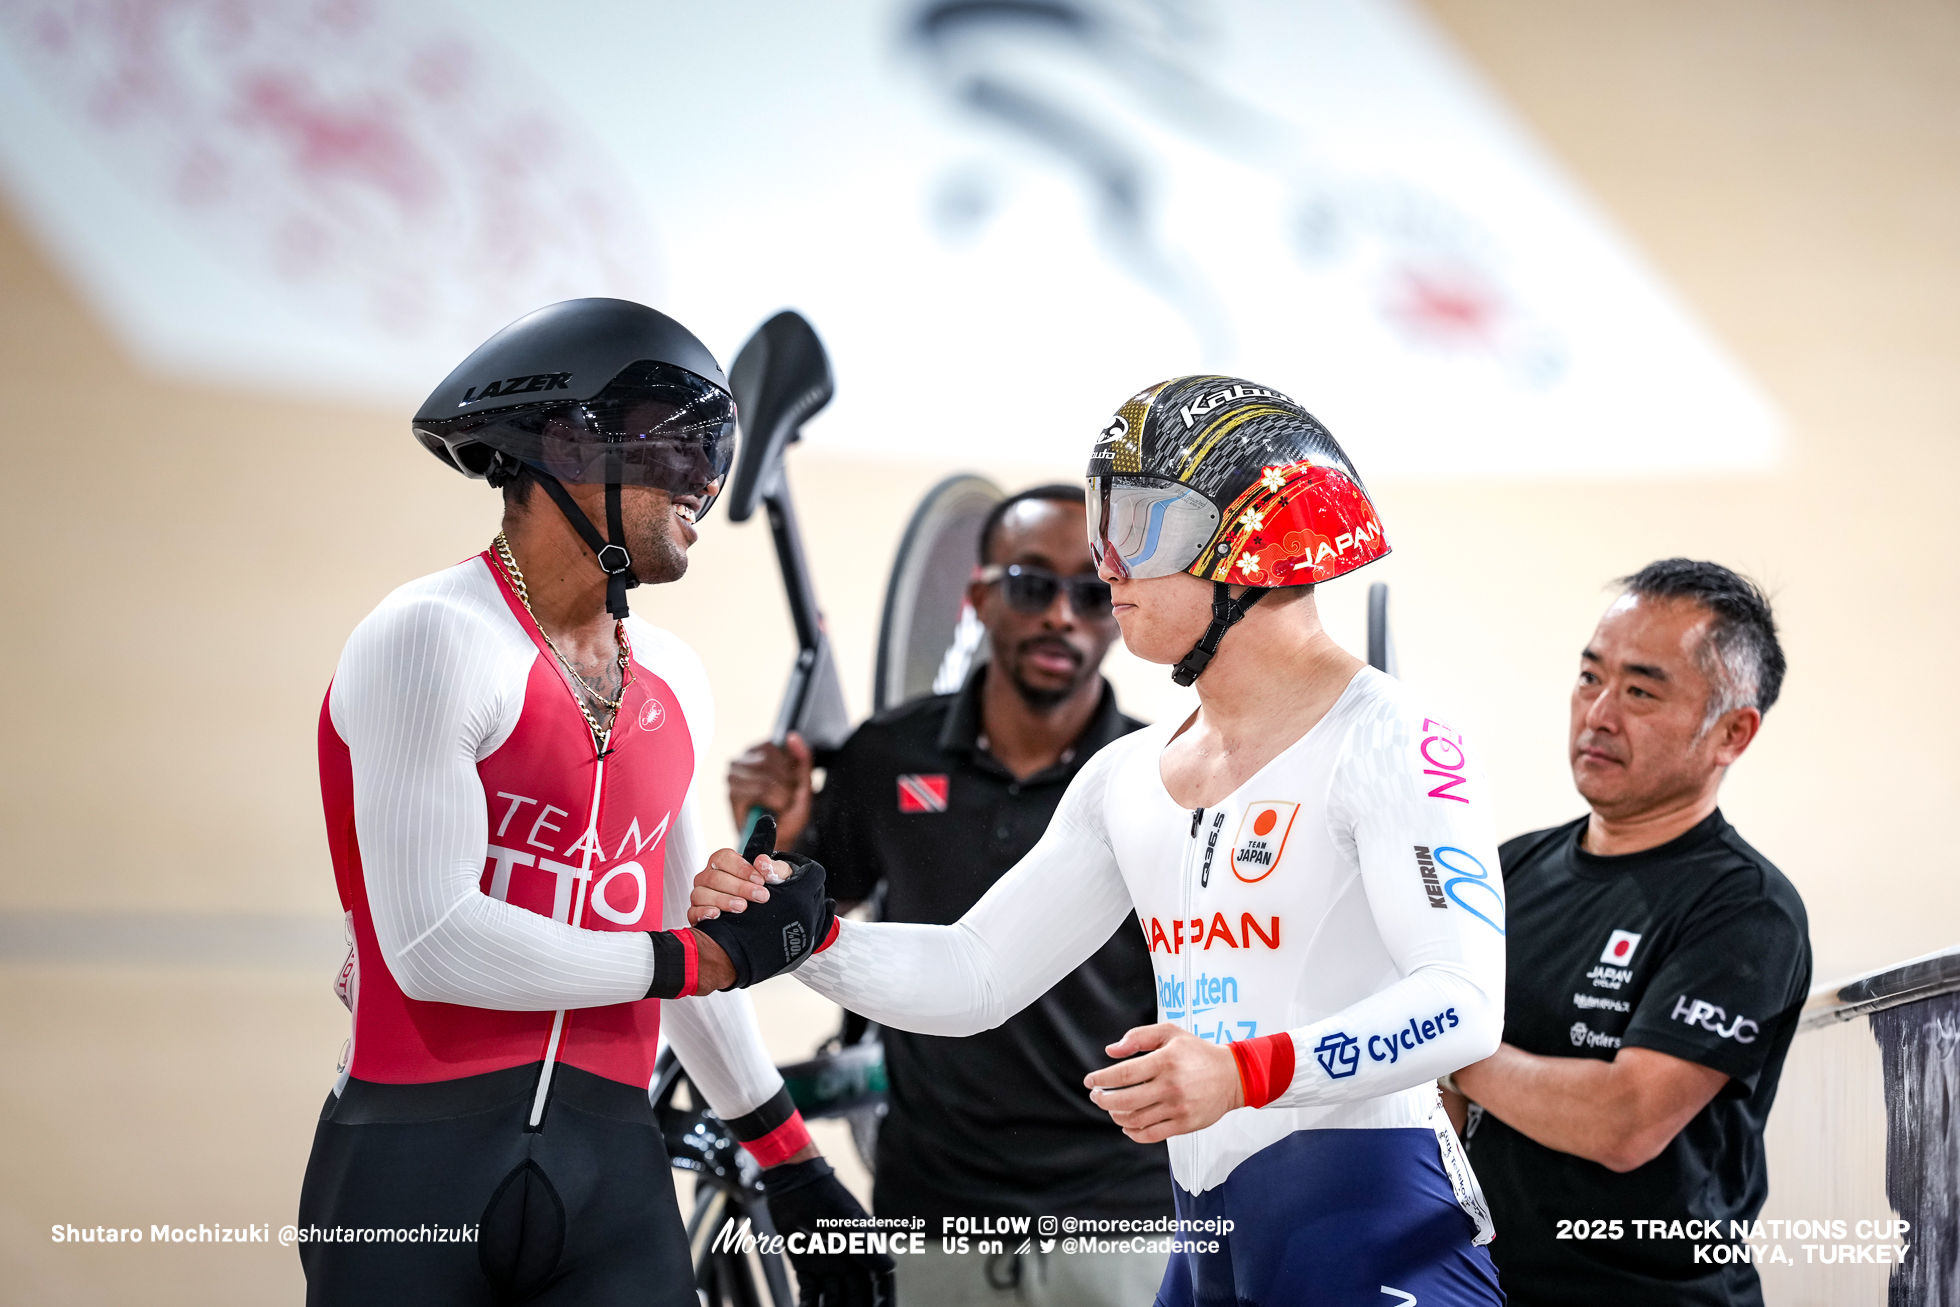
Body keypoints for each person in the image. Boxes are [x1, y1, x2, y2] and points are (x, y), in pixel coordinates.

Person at [693, 377, 1509, 1306]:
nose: (1109, 565)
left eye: (1143, 525)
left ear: (1255, 543)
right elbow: (975, 974)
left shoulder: (1396, 736)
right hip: (1207, 1241)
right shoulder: (1126, 774)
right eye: (1103, 525)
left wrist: (1245, 1071)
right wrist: (808, 942)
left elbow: (1464, 1003)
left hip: (1369, 1228)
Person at [300, 298, 890, 1306]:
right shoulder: (431, 636)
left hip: (609, 1168)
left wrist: (789, 1157)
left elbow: (676, 935)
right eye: (683, 442)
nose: (709, 475)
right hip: (413, 1152)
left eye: (720, 447)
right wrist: (692, 957)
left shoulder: (671, 675)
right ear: (569, 441)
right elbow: (434, 942)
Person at [727, 484, 1173, 1306]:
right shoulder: (886, 754)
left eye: (1091, 591)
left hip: (1123, 1216)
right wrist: (781, 835)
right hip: (930, 1212)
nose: (1062, 617)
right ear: (980, 596)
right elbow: (809, 918)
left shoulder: (1162, 777)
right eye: (1034, 584)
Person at [1447, 560, 1810, 1307]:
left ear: (1732, 732)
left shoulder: (1747, 908)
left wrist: (1443, 1042)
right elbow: (1439, 1109)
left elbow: (1625, 1119)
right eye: (1589, 678)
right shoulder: (1506, 871)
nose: (1599, 713)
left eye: (1641, 690)